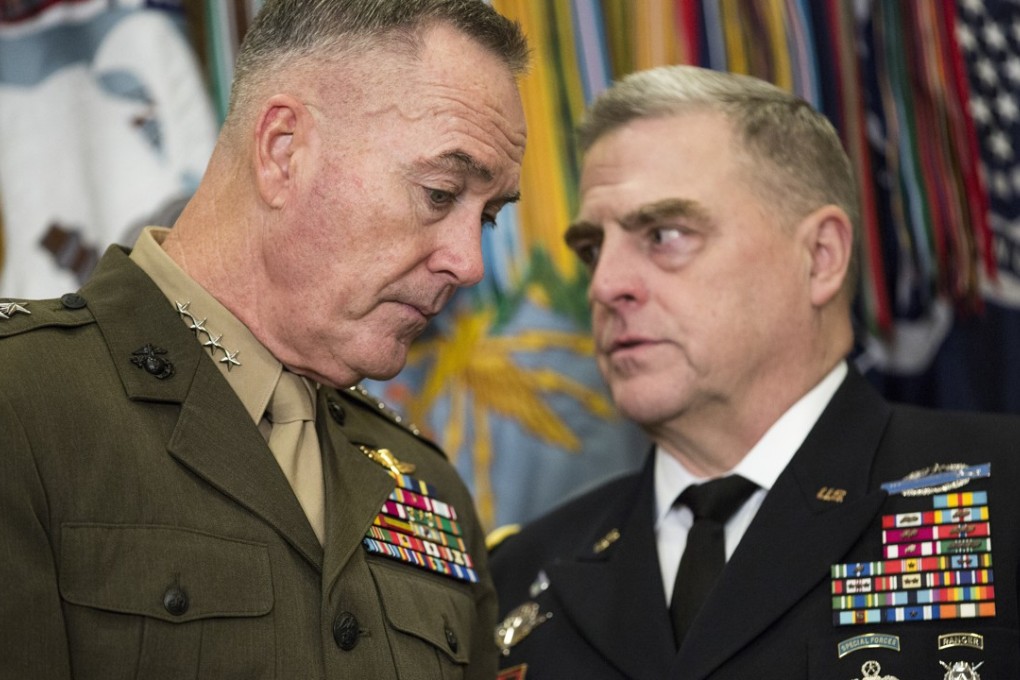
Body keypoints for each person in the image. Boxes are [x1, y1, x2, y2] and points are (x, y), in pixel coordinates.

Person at [0, 1, 527, 677]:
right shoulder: (22, 402)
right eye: (439, 191)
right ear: (284, 151)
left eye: (488, 217)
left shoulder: (425, 484)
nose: (469, 262)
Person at [490, 65, 1019, 679]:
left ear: (820, 258)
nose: (606, 285)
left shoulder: (1002, 494)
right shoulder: (521, 569)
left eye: (664, 234)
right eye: (592, 250)